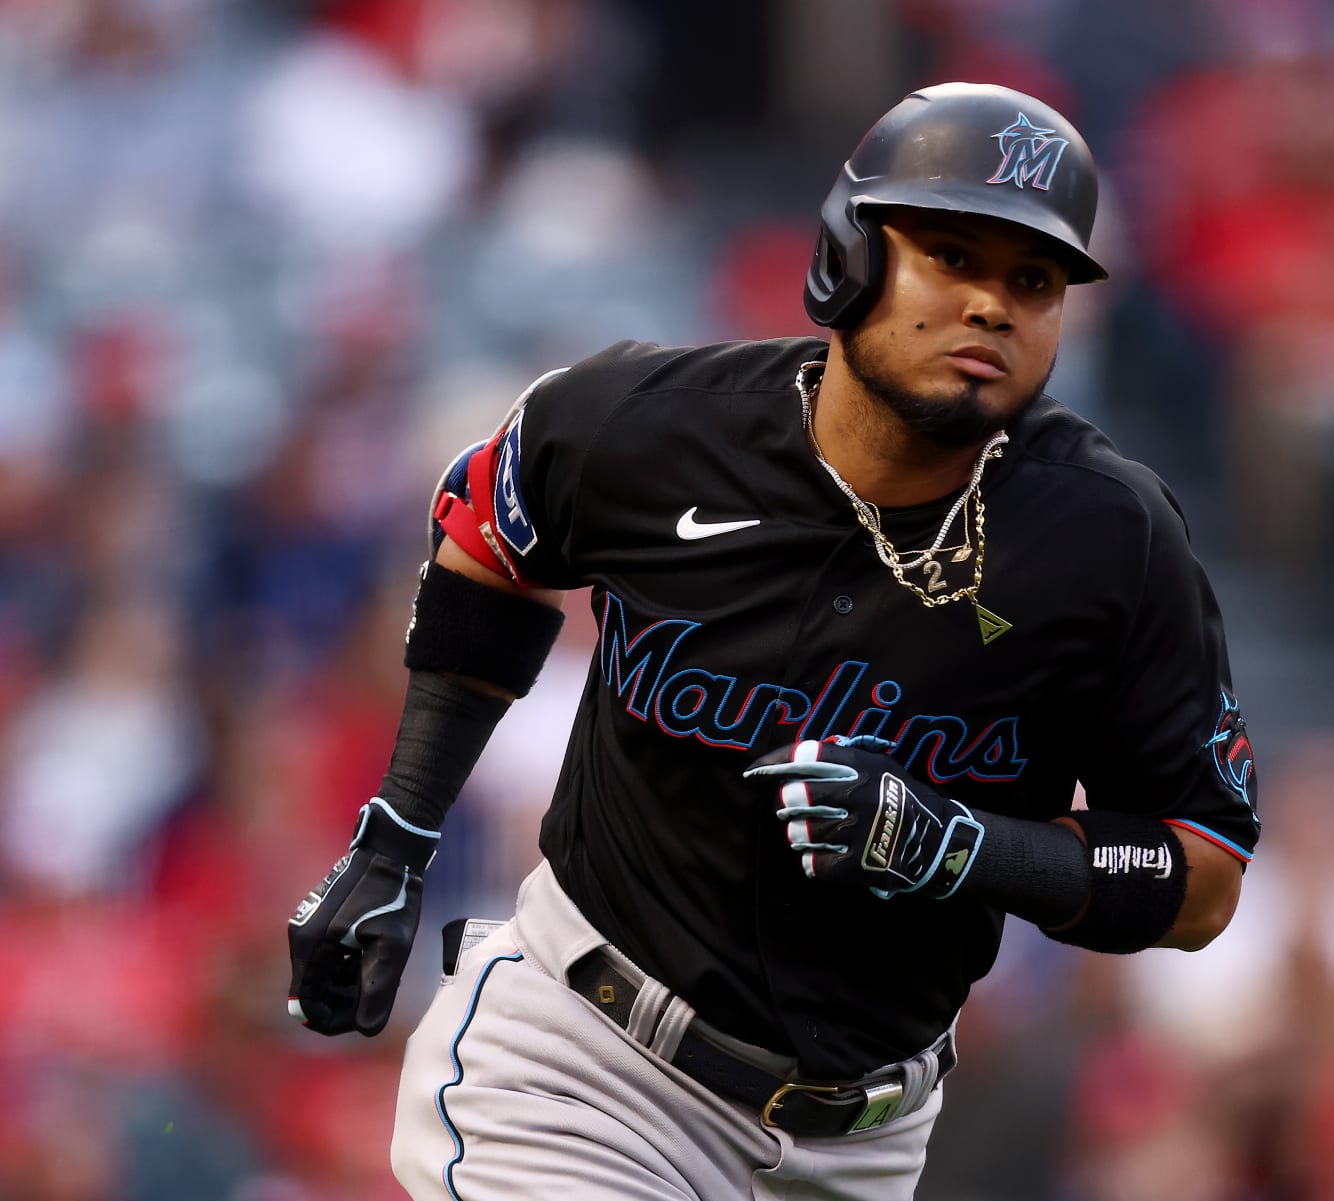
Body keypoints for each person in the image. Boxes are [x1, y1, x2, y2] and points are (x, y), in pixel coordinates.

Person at [286, 82, 1261, 1201]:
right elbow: (490, 541)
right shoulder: (641, 427)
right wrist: (397, 831)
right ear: (849, 256)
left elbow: (1200, 875)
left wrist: (955, 846)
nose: (991, 305)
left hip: (863, 1146)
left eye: (1031, 281)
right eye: (952, 255)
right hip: (585, 1067)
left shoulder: (1111, 542)